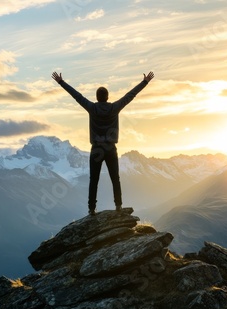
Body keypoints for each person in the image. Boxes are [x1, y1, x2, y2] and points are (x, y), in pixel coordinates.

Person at [52, 70, 154, 215]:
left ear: (97, 97)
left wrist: (61, 82)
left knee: (94, 180)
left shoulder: (92, 108)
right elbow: (130, 96)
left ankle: (91, 209)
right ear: (107, 97)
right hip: (111, 148)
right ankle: (118, 206)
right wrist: (145, 82)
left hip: (96, 150)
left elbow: (77, 96)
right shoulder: (114, 108)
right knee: (115, 178)